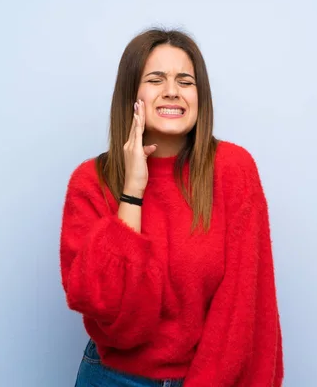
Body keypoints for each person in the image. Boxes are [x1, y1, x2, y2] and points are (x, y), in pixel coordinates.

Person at [59, 27, 284, 387]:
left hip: (205, 377)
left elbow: (245, 312)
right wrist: (132, 192)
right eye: (155, 79)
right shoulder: (91, 183)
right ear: (132, 94)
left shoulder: (233, 169)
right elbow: (120, 322)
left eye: (185, 81)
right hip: (113, 378)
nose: (172, 91)